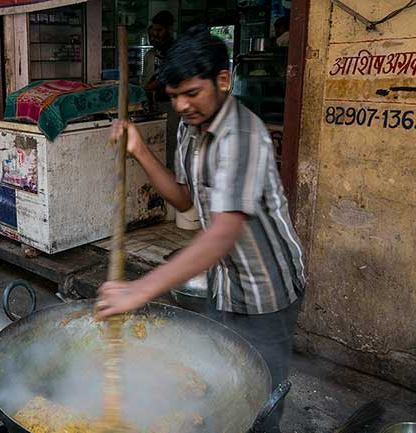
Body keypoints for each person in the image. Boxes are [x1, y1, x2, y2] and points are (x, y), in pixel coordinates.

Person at [96, 25, 305, 433]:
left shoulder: (242, 135)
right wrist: (139, 150)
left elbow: (223, 233)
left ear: (222, 80)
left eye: (192, 93)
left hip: (267, 291)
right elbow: (183, 199)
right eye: (174, 96)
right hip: (224, 283)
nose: (182, 105)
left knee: (259, 406)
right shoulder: (191, 129)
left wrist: (139, 290)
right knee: (220, 389)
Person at [142, 10, 178, 169]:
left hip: (170, 105)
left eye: (159, 30)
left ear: (169, 29)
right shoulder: (155, 51)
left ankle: (171, 176)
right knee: (156, 142)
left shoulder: (174, 50)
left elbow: (163, 77)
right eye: (153, 30)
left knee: (170, 142)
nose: (155, 34)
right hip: (155, 103)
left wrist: (144, 88)